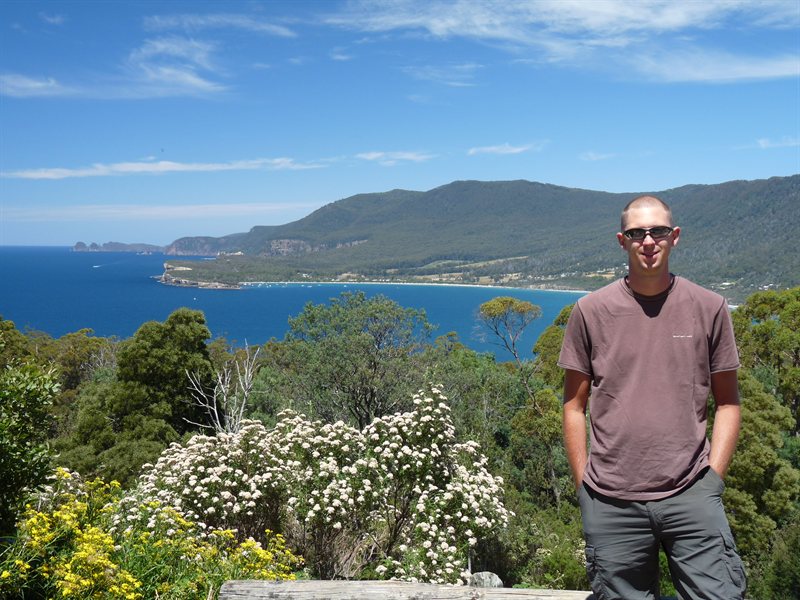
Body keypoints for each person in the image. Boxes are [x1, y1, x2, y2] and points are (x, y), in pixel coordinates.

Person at [557, 195, 746, 599]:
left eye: (657, 231)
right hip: (610, 502)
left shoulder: (709, 307)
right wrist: (584, 488)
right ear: (621, 241)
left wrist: (713, 480)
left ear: (674, 237)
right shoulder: (590, 311)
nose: (648, 240)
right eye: (636, 233)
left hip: (692, 492)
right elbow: (573, 406)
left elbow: (729, 402)